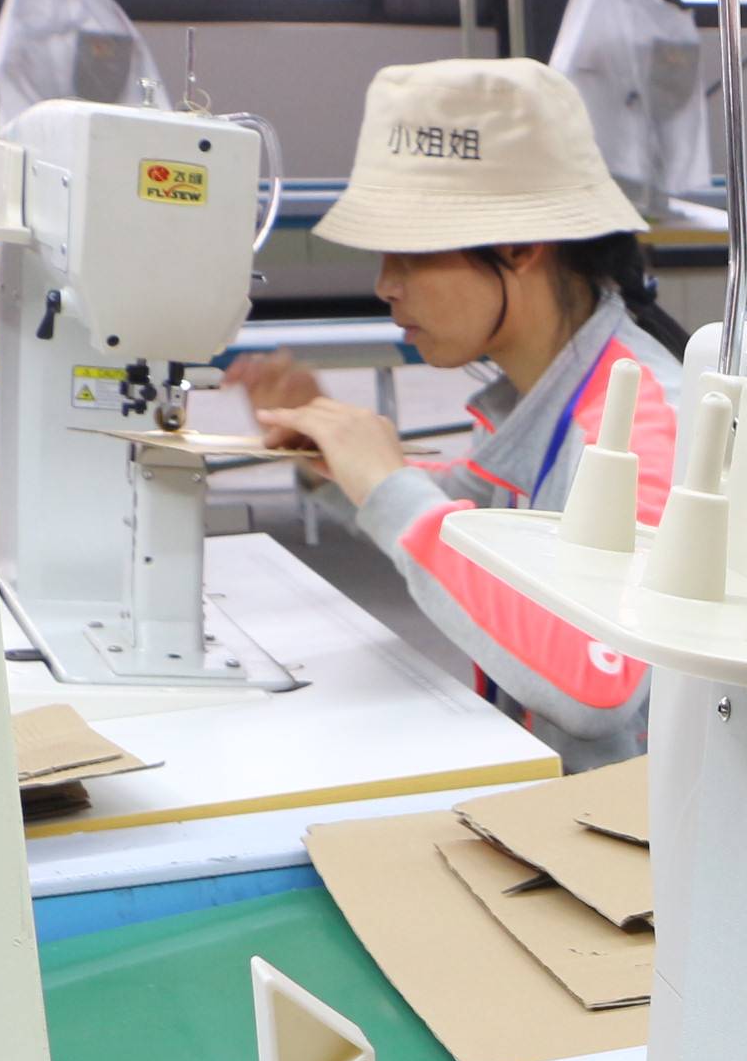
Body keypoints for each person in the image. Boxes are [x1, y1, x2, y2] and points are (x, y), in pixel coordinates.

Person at [237, 59, 689, 768]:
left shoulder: (643, 419)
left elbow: (599, 685)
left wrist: (394, 490)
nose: (385, 285)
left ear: (519, 246)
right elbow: (496, 516)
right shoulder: (553, 396)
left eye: (412, 254)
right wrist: (343, 467)